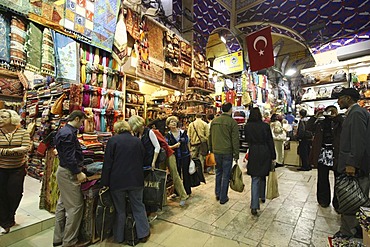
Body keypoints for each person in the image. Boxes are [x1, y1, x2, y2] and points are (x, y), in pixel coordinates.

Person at [100, 120, 150, 244]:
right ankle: (143, 234)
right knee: (138, 206)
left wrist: (104, 182)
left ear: (117, 130)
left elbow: (108, 164)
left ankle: (119, 236)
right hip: (136, 179)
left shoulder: (113, 141)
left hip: (118, 181)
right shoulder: (137, 141)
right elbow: (144, 158)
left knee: (120, 210)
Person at [333, 88, 370, 239]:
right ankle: (348, 230)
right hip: (354, 164)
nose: (338, 101)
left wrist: (351, 163)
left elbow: (358, 141)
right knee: (350, 197)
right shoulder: (355, 113)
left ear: (348, 98)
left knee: (353, 199)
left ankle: (353, 232)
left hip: (356, 166)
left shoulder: (356, 114)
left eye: (340, 98)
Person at [129, 116, 188, 207]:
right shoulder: (138, 135)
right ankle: (163, 201)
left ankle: (183, 196)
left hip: (166, 155)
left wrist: (153, 162)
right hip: (157, 158)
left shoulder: (150, 132)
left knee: (174, 174)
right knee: (161, 178)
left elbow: (157, 147)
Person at [53, 110, 88, 247]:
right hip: (68, 172)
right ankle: (70, 241)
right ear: (77, 119)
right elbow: (69, 157)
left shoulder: (63, 131)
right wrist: (78, 172)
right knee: (75, 207)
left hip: (63, 171)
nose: (81, 125)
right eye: (82, 122)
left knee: (62, 205)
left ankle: (58, 238)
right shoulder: (68, 133)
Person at [306, 105, 343, 209]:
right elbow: (308, 128)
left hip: (336, 153)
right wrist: (315, 116)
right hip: (323, 152)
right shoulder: (320, 122)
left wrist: (337, 117)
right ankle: (323, 200)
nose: (329, 114)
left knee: (339, 178)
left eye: (332, 112)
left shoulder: (339, 122)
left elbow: (346, 127)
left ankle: (338, 202)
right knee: (322, 177)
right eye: (328, 112)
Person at [0, 109, 30, 234]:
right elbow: (21, 149)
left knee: (16, 193)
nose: (0, 119)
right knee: (1, 194)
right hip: (1, 168)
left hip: (17, 168)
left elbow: (26, 148)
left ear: (12, 118)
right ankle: (5, 219)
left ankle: (10, 214)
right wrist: (14, 150)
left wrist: (4, 151)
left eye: (3, 117)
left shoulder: (23, 132)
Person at [244, 107, 276, 215]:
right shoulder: (265, 126)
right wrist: (273, 155)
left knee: (255, 178)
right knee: (262, 174)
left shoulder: (247, 126)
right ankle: (262, 196)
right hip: (264, 151)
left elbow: (247, 140)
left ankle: (254, 205)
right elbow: (270, 141)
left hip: (253, 151)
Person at [209, 102, 239, 205]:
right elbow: (235, 140)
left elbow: (210, 136)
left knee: (218, 172)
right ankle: (223, 197)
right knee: (226, 175)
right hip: (227, 152)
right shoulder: (232, 122)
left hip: (216, 151)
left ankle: (217, 194)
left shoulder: (214, 121)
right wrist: (236, 154)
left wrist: (211, 149)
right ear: (230, 110)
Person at [166, 116, 192, 197]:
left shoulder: (183, 132)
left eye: (174, 121)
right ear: (168, 125)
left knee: (185, 173)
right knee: (176, 174)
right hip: (174, 156)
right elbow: (166, 146)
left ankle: (187, 190)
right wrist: (174, 146)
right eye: (171, 122)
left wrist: (190, 152)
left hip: (185, 155)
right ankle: (178, 191)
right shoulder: (168, 135)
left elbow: (187, 142)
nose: (173, 123)